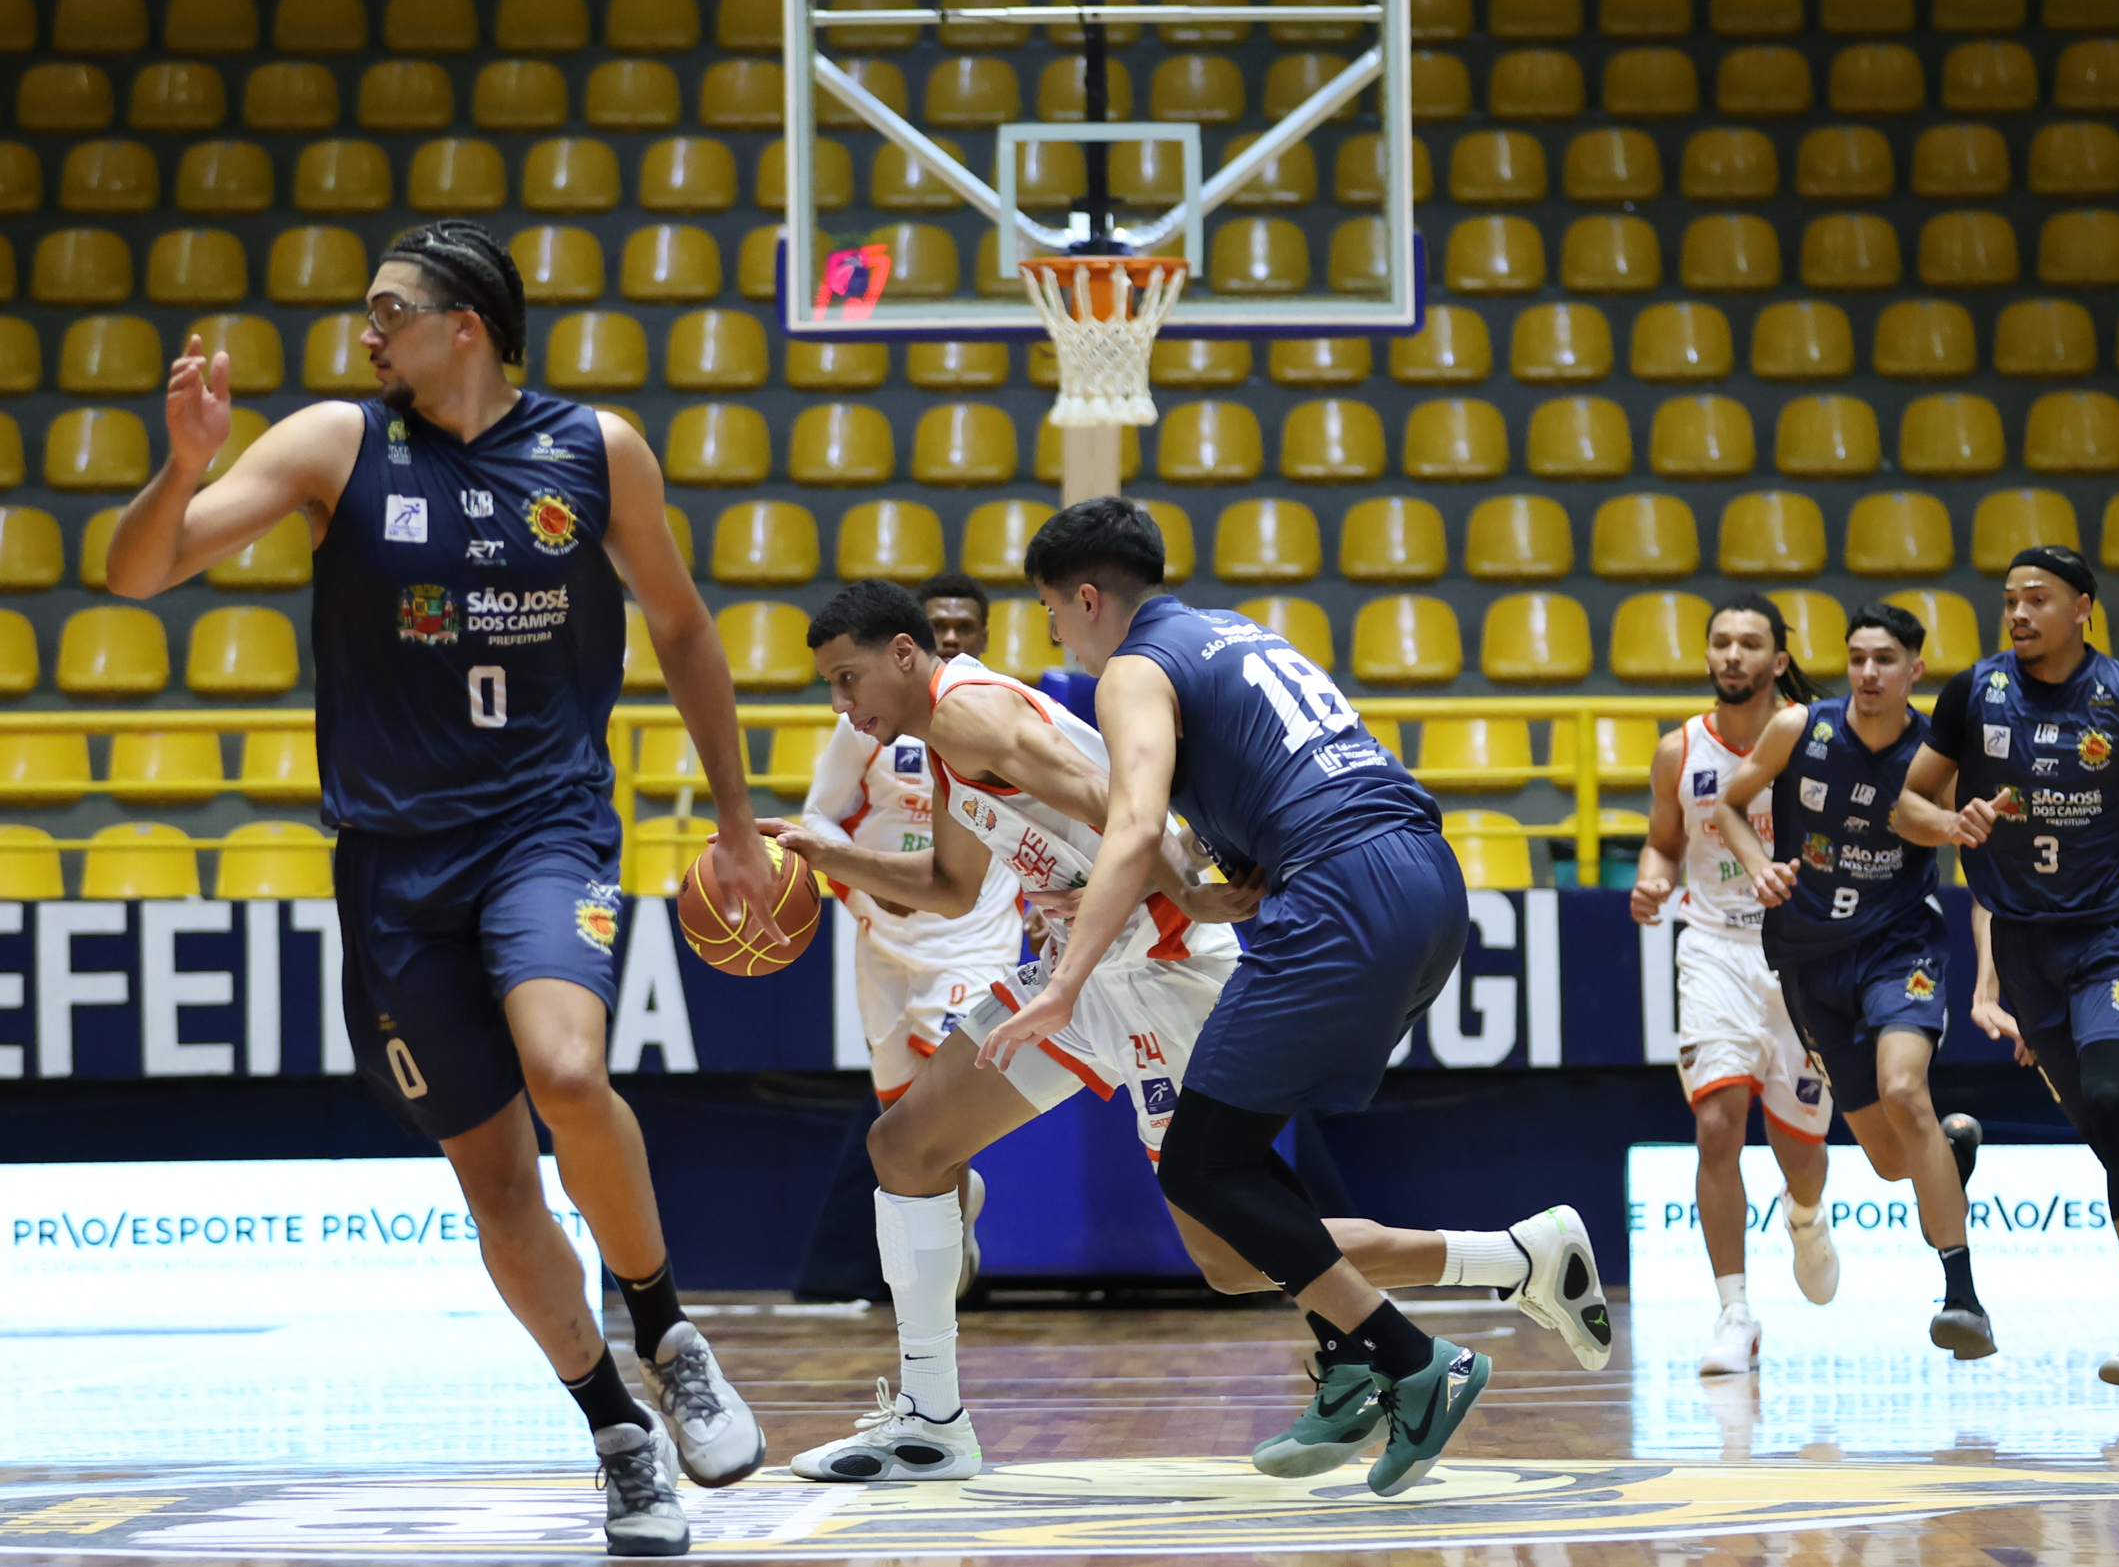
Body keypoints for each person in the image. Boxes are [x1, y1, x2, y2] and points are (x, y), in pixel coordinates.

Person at [103, 221, 774, 1555]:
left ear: (464, 324)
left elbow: (684, 627)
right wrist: (182, 469)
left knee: (568, 1071)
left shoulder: (597, 450)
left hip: (546, 824)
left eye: (388, 310)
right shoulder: (336, 443)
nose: (368, 334)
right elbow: (139, 572)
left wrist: (738, 822)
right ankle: (616, 1433)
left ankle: (668, 1333)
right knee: (497, 1185)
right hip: (394, 863)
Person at [764, 577, 1607, 1492]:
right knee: (905, 1146)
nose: (841, 704)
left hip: (1162, 968)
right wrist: (829, 854)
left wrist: (1188, 893)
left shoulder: (971, 711)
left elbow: (1126, 807)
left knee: (1234, 1259)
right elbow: (952, 887)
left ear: (901, 654)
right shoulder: (942, 739)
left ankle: (1512, 1258)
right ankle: (931, 1422)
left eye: (847, 678)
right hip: (1088, 970)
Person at [980, 499, 1609, 1498]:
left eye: (1053, 613)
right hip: (1423, 879)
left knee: (1198, 1165)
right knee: (1231, 1160)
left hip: (1344, 893)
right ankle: (1357, 1357)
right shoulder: (1235, 632)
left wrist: (1064, 981)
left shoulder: (1134, 668)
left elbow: (1135, 824)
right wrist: (1226, 867)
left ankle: (1412, 1358)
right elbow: (1284, 780)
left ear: (1087, 598)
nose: (1058, 636)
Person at [1895, 546, 2119, 1392]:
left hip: (2114, 933)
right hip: (2025, 945)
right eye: (2009, 600)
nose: (2018, 613)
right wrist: (1949, 824)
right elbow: (1906, 803)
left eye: (2037, 598)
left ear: (2082, 607)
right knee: (2107, 1134)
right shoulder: (1973, 692)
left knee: (2112, 1102)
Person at [1711, 601, 1994, 1362]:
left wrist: (1989, 982)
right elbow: (1729, 803)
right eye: (1857, 658)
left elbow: (1979, 869)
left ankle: (1962, 1298)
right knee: (1892, 1161)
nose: (1868, 672)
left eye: (1884, 660)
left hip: (1898, 945)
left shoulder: (1936, 753)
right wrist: (1758, 864)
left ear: (1913, 671)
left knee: (1905, 1090)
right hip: (1809, 959)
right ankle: (1948, 1153)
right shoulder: (1798, 728)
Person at [1628, 595, 1840, 1378]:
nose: (1731, 654)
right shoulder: (1677, 749)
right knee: (1716, 1123)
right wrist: (1652, 882)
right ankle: (1733, 1312)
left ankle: (1805, 1216)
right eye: (1719, 641)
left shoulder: (1817, 738)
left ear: (1777, 660)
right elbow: (1661, 843)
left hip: (1805, 955)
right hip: (1714, 945)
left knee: (1800, 1150)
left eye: (1748, 643)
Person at [793, 571, 1019, 1303]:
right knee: (900, 1120)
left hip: (970, 932)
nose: (950, 635)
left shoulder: (992, 714)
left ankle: (932, 1280)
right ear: (907, 640)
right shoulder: (867, 720)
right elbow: (819, 816)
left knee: (937, 1108)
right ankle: (948, 1239)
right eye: (938, 623)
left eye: (964, 626)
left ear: (982, 635)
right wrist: (864, 890)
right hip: (885, 937)